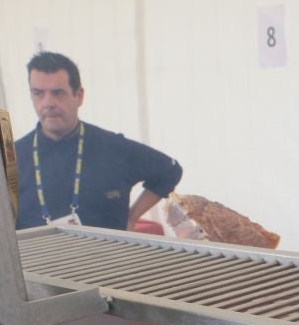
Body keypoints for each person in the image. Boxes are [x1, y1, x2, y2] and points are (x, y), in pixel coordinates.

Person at [15, 51, 183, 231]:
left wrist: (133, 216)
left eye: (58, 93)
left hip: (110, 249)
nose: (48, 103)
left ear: (79, 96)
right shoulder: (10, 158)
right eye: (38, 93)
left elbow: (169, 171)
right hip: (39, 250)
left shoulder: (113, 148)